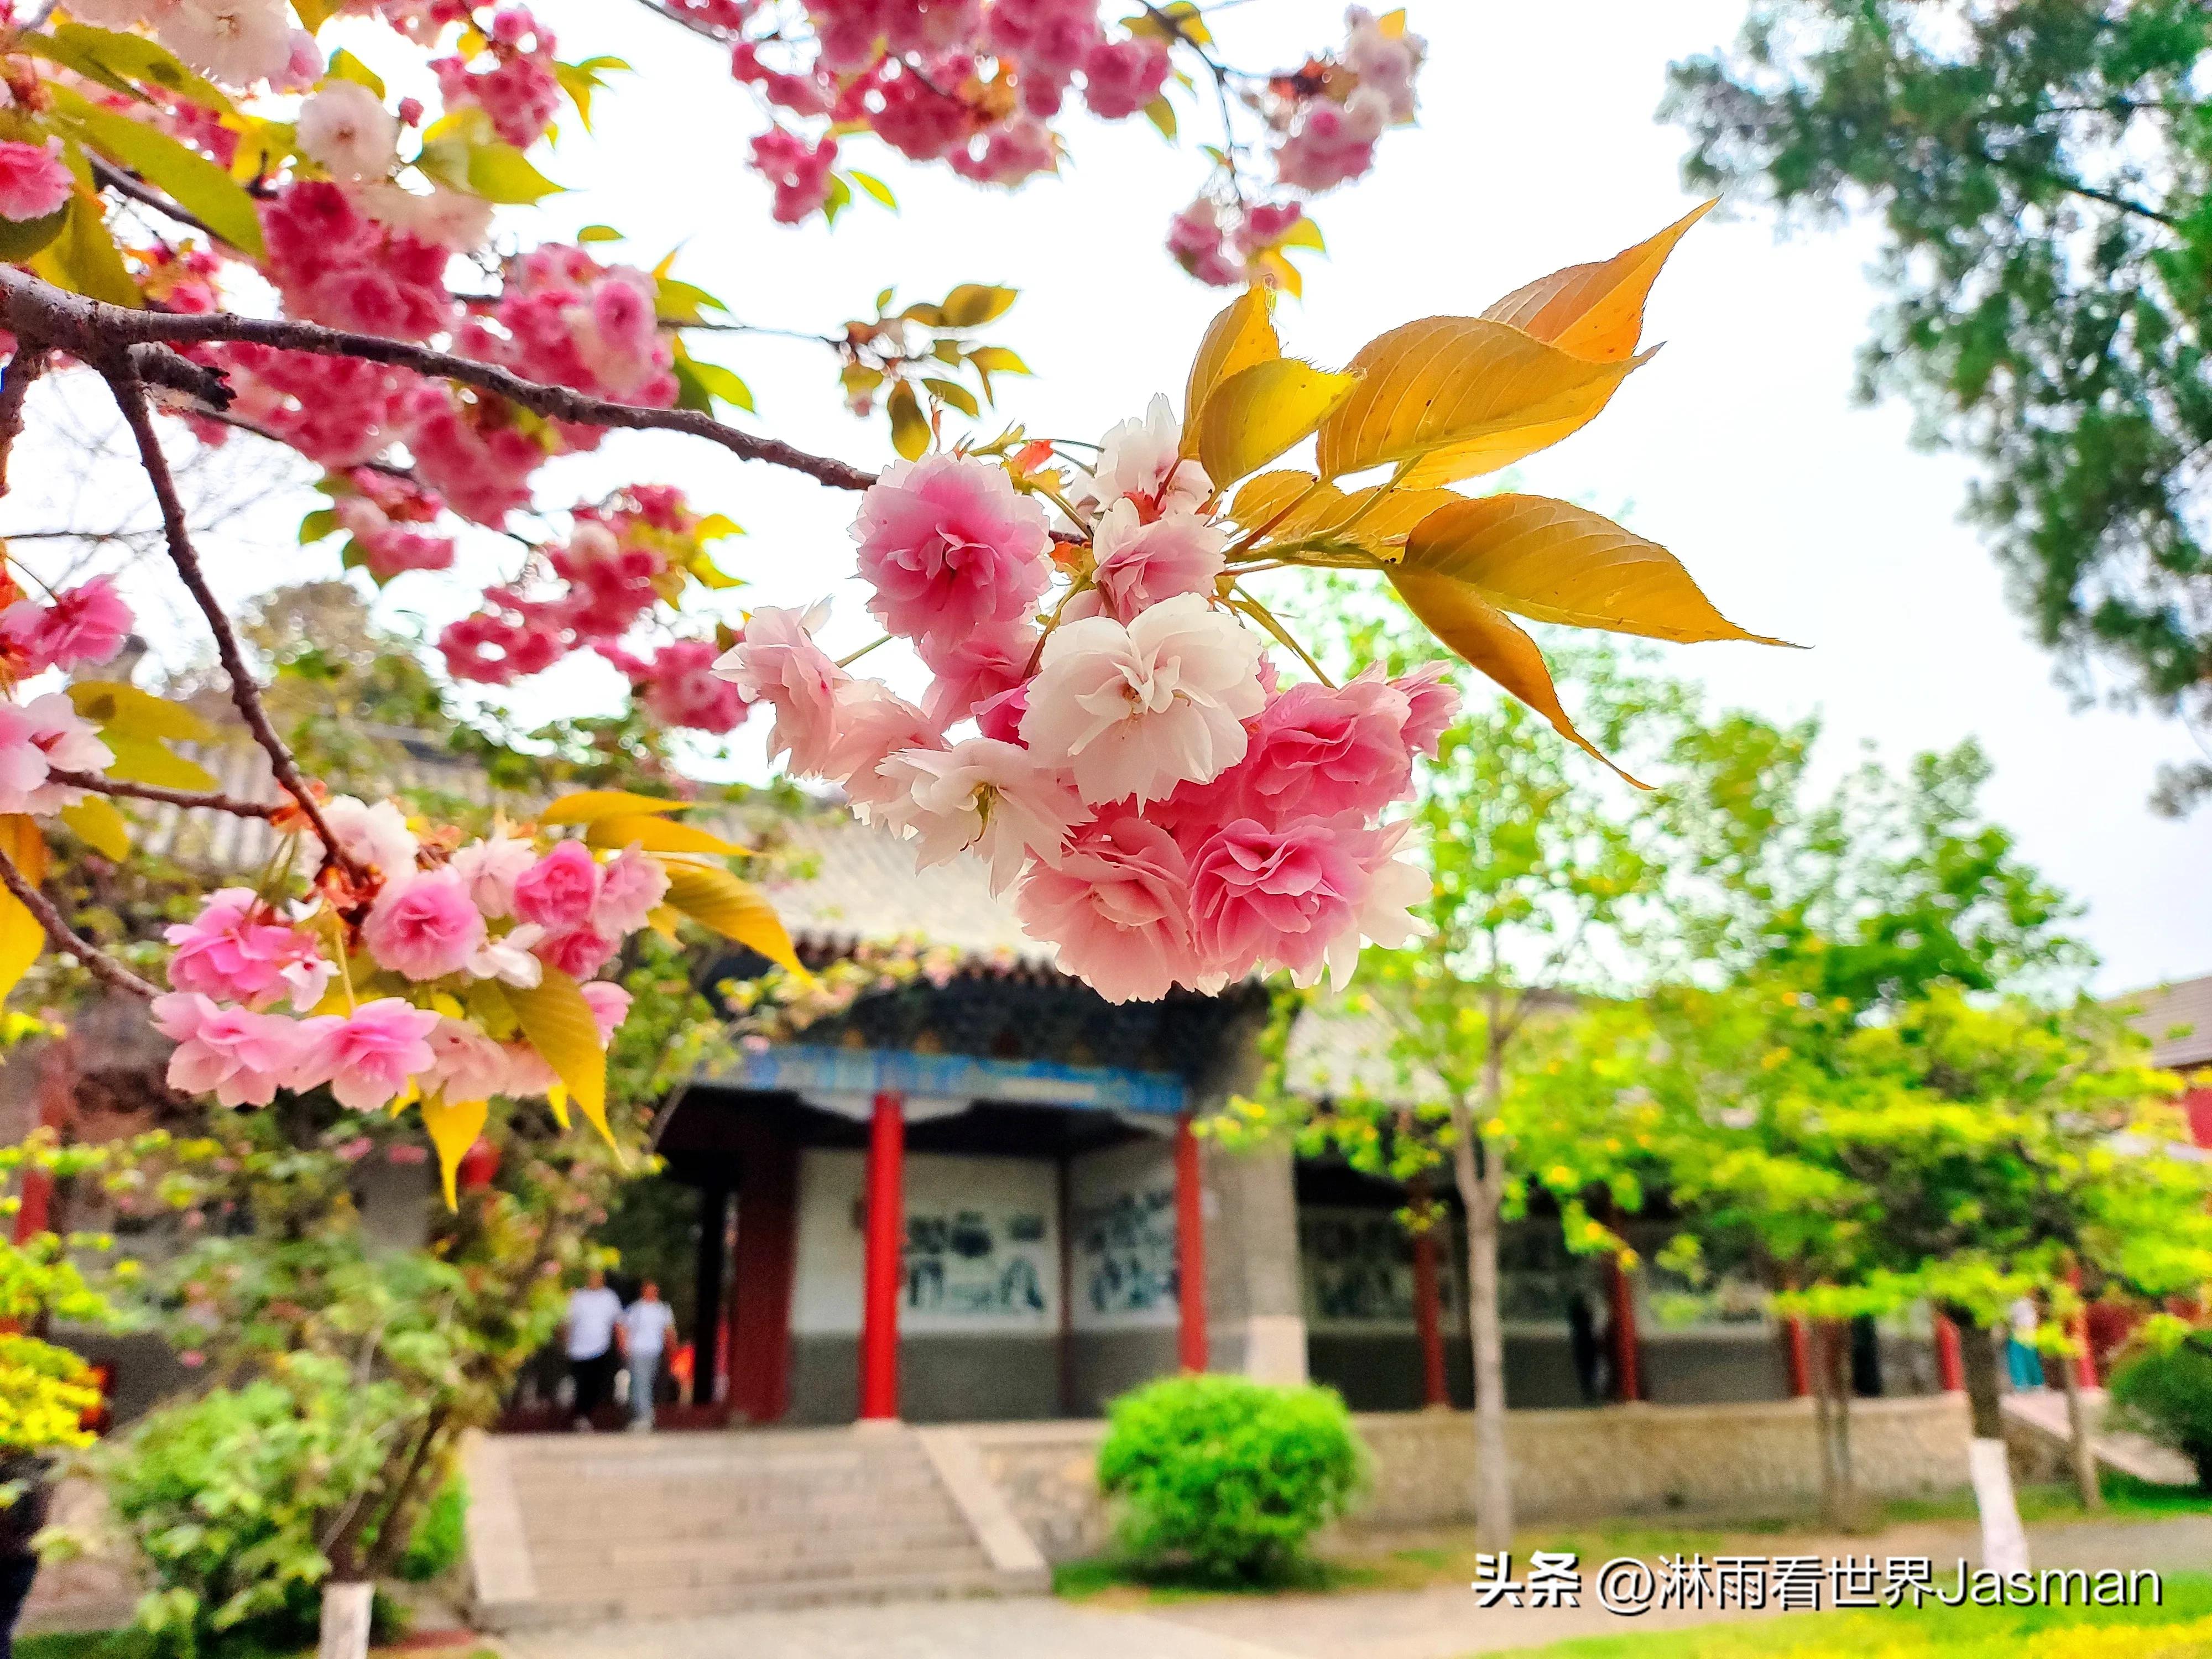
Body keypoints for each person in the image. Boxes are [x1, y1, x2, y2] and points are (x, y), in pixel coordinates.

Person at [562, 1269, 624, 1432]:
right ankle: (580, 1415)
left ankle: (586, 1414)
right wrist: (565, 1342)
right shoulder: (577, 1297)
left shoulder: (609, 1298)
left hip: (600, 1348)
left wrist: (622, 1344)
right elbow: (567, 1322)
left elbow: (618, 1323)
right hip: (578, 1349)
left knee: (594, 1383)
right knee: (581, 1382)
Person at [621, 1281, 676, 1433]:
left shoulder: (663, 1310)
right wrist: (624, 1347)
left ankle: (643, 1414)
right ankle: (644, 1415)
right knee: (640, 1382)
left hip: (654, 1350)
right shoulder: (636, 1309)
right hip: (638, 1349)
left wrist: (672, 1350)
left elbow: (669, 1331)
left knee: (646, 1382)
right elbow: (624, 1328)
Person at [2006, 1295, 2044, 1390]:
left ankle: (2023, 1384)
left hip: (2023, 1332)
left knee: (2023, 1360)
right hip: (2024, 1332)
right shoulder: (2026, 1302)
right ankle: (2034, 1384)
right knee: (2028, 1359)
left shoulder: (2020, 1303)